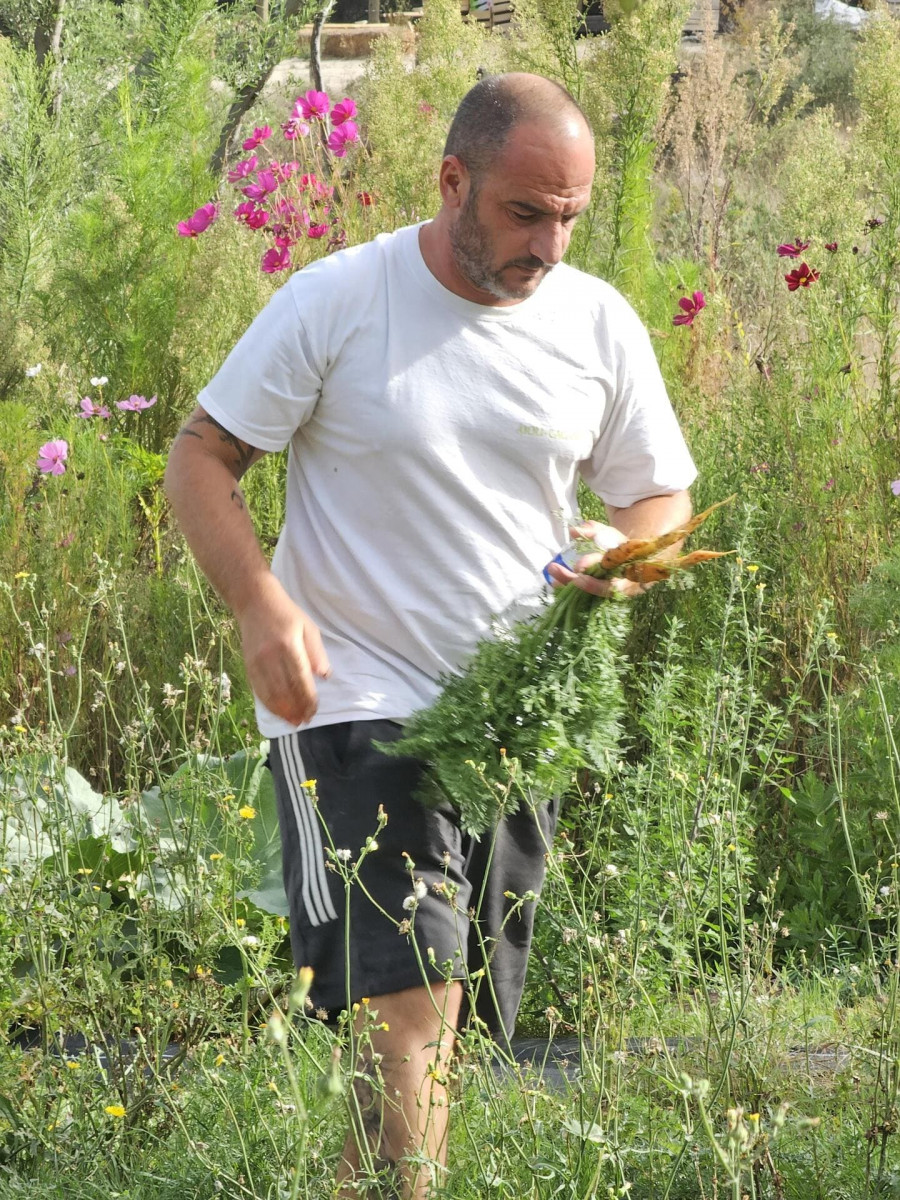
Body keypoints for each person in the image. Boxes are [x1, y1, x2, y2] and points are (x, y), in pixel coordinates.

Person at [164, 71, 696, 1199]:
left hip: (513, 716)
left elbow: (660, 497)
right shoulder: (338, 301)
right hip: (351, 700)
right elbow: (200, 456)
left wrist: (622, 551)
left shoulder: (595, 321)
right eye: (523, 212)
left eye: (570, 217)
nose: (549, 243)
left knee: (434, 1026)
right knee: (411, 1000)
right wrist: (262, 607)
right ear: (452, 179)